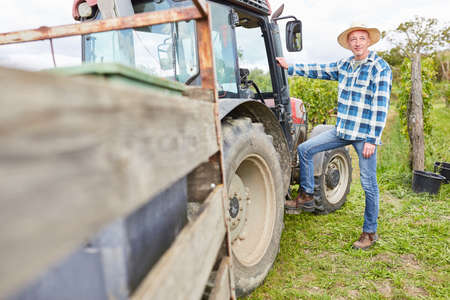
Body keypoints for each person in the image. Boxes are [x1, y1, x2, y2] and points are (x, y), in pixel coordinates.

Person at [276, 23, 392, 250]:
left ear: (368, 41)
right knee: (305, 149)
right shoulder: (344, 65)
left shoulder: (380, 68)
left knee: (369, 185)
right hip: (342, 129)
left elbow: (381, 106)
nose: (357, 43)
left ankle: (369, 232)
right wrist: (289, 67)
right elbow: (318, 69)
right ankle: (307, 194)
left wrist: (372, 138)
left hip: (363, 134)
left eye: (361, 38)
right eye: (353, 40)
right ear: (349, 44)